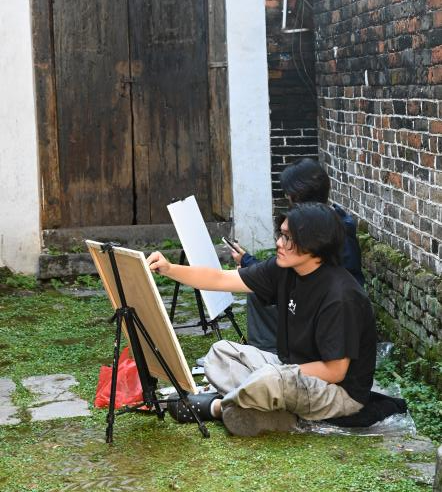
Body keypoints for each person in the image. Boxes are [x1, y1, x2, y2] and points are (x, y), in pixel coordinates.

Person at [147, 203, 377, 437]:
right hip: (289, 371)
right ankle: (266, 409)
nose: (279, 243)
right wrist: (169, 268)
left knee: (269, 378)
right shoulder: (285, 269)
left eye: (288, 238)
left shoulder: (340, 296)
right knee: (220, 354)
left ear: (314, 243)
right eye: (281, 234)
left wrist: (277, 374)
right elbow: (220, 279)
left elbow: (335, 371)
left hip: (337, 393)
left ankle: (217, 407)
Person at [230, 158, 365, 354]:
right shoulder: (323, 221)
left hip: (324, 308)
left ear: (299, 196)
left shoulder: (326, 231)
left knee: (258, 290)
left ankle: (268, 354)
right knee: (258, 284)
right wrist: (248, 263)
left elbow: (303, 276)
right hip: (313, 297)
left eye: (289, 195)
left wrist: (251, 267)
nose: (288, 200)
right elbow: (287, 270)